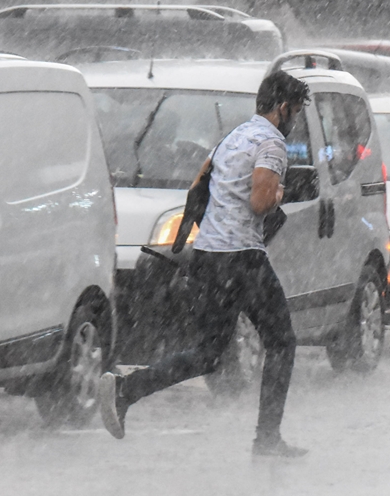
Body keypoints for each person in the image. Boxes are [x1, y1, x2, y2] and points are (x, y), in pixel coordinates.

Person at [98, 71, 310, 457]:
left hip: (209, 255)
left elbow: (198, 185)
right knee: (282, 342)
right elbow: (260, 203)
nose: (293, 119)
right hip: (242, 257)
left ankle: (127, 390)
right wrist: (281, 191)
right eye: (294, 110)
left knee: (208, 353)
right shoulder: (272, 142)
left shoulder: (231, 138)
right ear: (282, 108)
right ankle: (266, 439)